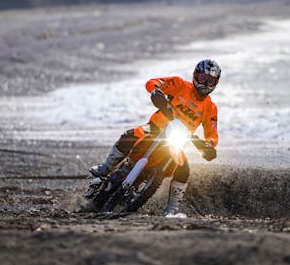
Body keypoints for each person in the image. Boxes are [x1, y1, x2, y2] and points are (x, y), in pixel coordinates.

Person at [90, 59, 221, 216]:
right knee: (130, 135)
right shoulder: (179, 84)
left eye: (210, 81)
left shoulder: (210, 108)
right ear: (195, 76)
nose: (205, 84)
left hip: (176, 141)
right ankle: (106, 167)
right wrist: (157, 91)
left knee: (184, 170)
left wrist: (208, 145)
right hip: (154, 130)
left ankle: (171, 211)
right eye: (203, 79)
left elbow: (212, 134)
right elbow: (153, 82)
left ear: (216, 83)